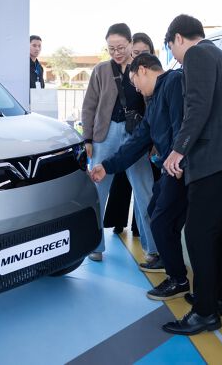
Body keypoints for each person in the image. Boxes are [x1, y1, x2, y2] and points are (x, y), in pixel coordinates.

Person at [160, 14, 222, 335]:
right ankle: (218, 298)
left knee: (198, 233)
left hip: (213, 159)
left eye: (171, 48)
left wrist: (179, 149)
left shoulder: (197, 55)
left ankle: (204, 312)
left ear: (178, 38)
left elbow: (197, 106)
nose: (175, 57)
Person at [90, 53, 189, 300]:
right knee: (157, 211)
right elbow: (137, 142)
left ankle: (178, 279)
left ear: (142, 70)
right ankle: (171, 264)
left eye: (134, 80)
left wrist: (178, 156)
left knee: (161, 219)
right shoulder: (153, 101)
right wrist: (107, 166)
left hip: (181, 166)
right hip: (172, 167)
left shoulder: (174, 81)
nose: (135, 87)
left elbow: (182, 123)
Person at [81, 23, 155, 262]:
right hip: (105, 134)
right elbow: (89, 105)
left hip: (137, 135)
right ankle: (95, 245)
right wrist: (88, 138)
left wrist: (153, 139)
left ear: (131, 43)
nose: (116, 53)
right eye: (111, 49)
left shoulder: (142, 69)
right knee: (98, 189)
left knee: (145, 191)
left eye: (121, 47)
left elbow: (152, 105)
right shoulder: (101, 70)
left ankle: (153, 249)